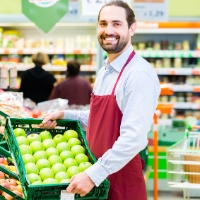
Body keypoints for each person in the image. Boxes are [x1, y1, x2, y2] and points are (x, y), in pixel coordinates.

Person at [40, 1, 160, 199]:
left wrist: (92, 175)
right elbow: (100, 119)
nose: (108, 30)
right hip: (95, 181)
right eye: (103, 24)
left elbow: (134, 138)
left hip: (119, 183)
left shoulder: (138, 74)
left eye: (116, 24)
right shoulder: (105, 71)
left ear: (132, 28)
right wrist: (65, 114)